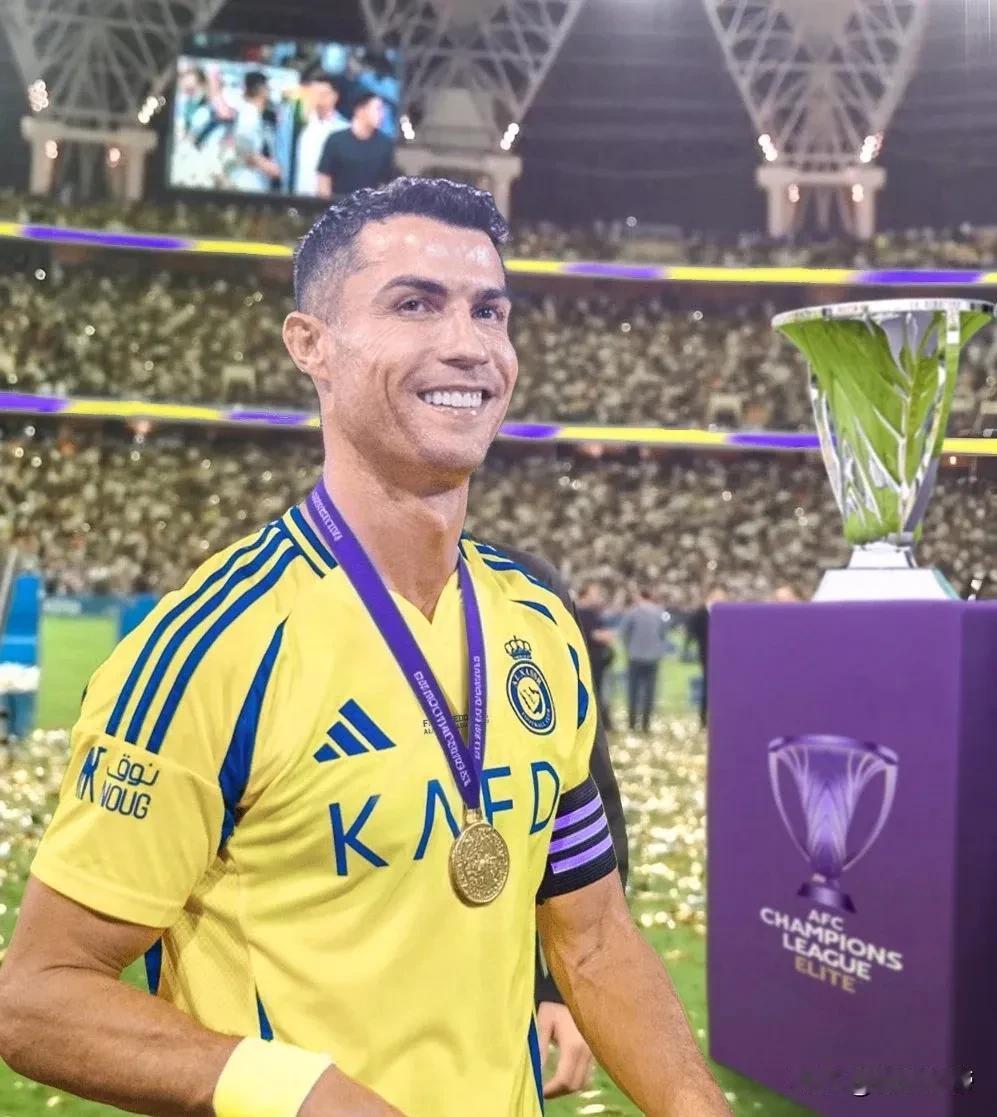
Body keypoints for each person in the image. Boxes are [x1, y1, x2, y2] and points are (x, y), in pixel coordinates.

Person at [0, 178, 731, 1117]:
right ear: (310, 344)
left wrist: (695, 1107)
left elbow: (591, 938)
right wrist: (303, 1093)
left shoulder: (538, 626)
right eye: (414, 303)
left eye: (489, 310)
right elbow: (39, 995)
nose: (467, 343)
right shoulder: (212, 646)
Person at [316, 92, 394, 199]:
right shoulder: (336, 140)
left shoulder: (385, 144)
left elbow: (387, 182)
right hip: (339, 205)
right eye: (378, 109)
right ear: (360, 111)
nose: (382, 115)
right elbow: (324, 178)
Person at [619, 584, 670, 733]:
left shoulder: (632, 612)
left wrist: (629, 647)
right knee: (649, 691)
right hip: (652, 657)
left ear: (639, 596)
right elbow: (663, 634)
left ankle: (632, 723)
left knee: (633, 691)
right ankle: (646, 724)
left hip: (635, 656)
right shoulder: (659, 613)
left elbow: (624, 633)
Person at [293, 73, 349, 196]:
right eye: (314, 94)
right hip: (299, 195)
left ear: (334, 96)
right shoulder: (302, 125)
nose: (317, 99)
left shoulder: (343, 129)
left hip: (328, 197)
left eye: (322, 94)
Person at [229, 70, 282, 193]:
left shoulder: (259, 115)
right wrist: (269, 167)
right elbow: (244, 149)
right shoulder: (248, 115)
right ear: (262, 90)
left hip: (260, 181)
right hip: (248, 182)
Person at [575, 581, 616, 731]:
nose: (598, 596)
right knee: (596, 690)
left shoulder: (591, 613)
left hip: (596, 659)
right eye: (594, 593)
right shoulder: (583, 613)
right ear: (585, 594)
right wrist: (607, 636)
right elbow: (594, 634)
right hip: (591, 659)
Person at [687, 587, 727, 728]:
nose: (720, 599)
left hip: (725, 656)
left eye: (722, 596)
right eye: (717, 596)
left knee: (723, 688)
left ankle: (721, 717)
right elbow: (692, 630)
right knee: (707, 687)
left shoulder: (727, 613)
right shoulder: (701, 613)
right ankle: (703, 719)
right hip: (707, 655)